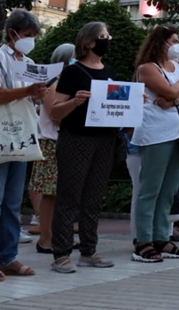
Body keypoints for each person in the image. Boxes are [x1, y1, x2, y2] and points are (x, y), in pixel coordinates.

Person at [0, 8, 48, 281]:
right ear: (12, 33)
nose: (31, 40)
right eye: (27, 35)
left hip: (20, 136)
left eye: (33, 35)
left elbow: (24, 98)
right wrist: (28, 91)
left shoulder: (27, 61)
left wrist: (37, 94)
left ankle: (7, 257)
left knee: (12, 204)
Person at [49, 23, 119, 273]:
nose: (107, 40)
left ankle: (89, 250)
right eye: (102, 36)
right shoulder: (72, 72)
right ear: (88, 42)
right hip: (76, 139)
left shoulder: (109, 71)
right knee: (69, 196)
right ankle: (61, 253)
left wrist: (133, 100)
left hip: (104, 139)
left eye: (107, 36)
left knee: (93, 198)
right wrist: (75, 102)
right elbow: (54, 110)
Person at [131, 26, 179, 263]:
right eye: (173, 41)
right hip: (155, 134)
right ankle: (143, 241)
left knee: (169, 190)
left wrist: (174, 99)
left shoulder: (178, 65)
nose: (178, 45)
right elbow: (169, 90)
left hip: (177, 132)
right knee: (150, 189)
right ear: (160, 43)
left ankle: (161, 237)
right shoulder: (147, 68)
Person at [30, 43, 73, 256]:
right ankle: (45, 239)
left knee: (60, 195)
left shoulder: (66, 84)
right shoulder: (53, 85)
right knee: (50, 194)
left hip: (64, 143)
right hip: (50, 143)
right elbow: (55, 116)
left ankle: (56, 237)